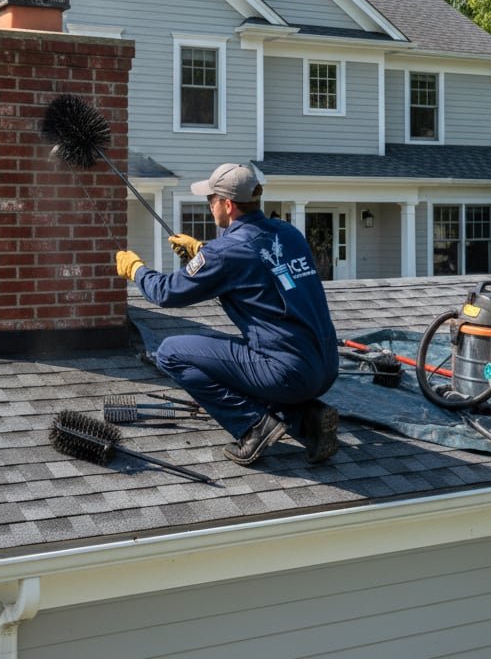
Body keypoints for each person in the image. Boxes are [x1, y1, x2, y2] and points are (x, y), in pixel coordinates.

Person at [115, 163, 339, 466]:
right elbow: (259, 265)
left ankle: (253, 427)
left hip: (288, 373)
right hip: (325, 366)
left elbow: (165, 292)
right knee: (232, 358)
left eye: (211, 199)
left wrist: (136, 269)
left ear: (228, 204)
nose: (209, 205)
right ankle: (307, 420)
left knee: (170, 353)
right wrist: (202, 251)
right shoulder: (289, 233)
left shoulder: (225, 253)